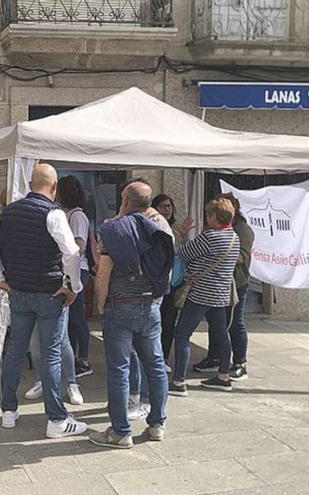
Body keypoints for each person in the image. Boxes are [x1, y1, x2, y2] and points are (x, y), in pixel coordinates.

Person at [0, 163, 88, 438]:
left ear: (31, 185)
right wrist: (73, 286)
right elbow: (72, 252)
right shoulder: (53, 213)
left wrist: (0, 277)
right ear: (54, 188)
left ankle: (9, 410)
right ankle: (56, 419)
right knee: (51, 353)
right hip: (49, 292)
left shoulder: (8, 213)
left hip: (19, 291)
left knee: (15, 350)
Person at [90, 181, 173, 449]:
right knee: (156, 365)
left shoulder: (113, 230)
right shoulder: (160, 227)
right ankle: (157, 424)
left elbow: (103, 273)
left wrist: (101, 306)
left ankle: (120, 432)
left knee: (119, 369)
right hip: (150, 305)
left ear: (125, 201)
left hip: (120, 305)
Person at [170, 199, 240, 395]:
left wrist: (184, 236)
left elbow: (184, 253)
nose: (206, 218)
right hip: (220, 295)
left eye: (208, 215)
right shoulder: (234, 237)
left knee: (182, 335)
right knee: (221, 335)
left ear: (215, 217)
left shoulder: (209, 237)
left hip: (200, 294)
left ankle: (178, 381)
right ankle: (224, 376)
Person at [194, 194, 255, 380]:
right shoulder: (214, 228)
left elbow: (242, 257)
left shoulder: (243, 230)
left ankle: (240, 362)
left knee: (235, 322)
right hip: (217, 283)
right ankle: (215, 357)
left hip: (237, 283)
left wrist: (218, 248)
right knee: (216, 322)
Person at [56, 175, 94, 377]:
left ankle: (84, 360)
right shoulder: (64, 213)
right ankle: (71, 357)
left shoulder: (77, 216)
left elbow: (80, 247)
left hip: (78, 270)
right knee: (71, 317)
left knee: (78, 317)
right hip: (70, 270)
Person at [151, 194, 195, 367]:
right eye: (163, 206)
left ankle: (163, 356)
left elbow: (187, 253)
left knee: (169, 322)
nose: (167, 210)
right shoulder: (153, 227)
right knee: (156, 322)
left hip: (175, 282)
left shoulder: (176, 229)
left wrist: (184, 236)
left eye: (169, 206)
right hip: (158, 280)